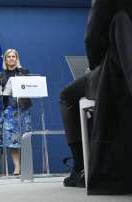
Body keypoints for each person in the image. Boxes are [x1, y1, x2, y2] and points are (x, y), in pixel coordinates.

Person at [60, 0, 132, 194]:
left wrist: (94, 66)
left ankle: (80, 167)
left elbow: (93, 37)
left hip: (116, 69)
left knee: (67, 95)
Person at [0, 49, 32, 175]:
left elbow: (30, 88)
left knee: (24, 139)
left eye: (14, 56)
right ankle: (17, 167)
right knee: (12, 141)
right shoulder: (1, 75)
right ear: (5, 60)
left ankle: (26, 166)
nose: (11, 58)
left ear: (17, 59)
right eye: (9, 57)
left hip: (23, 109)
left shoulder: (24, 72)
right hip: (9, 111)